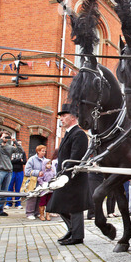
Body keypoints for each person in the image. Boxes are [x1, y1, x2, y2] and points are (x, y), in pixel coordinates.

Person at [47, 104, 91, 245]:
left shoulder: (79, 134)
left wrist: (65, 174)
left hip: (73, 177)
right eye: (60, 116)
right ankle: (72, 230)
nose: (61, 118)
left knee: (75, 207)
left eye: (64, 116)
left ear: (73, 117)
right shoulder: (68, 134)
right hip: (64, 176)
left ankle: (77, 236)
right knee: (57, 205)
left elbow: (75, 158)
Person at [0, 130, 24, 219]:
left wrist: (15, 141)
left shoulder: (10, 147)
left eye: (7, 136)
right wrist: (0, 140)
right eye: (5, 136)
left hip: (9, 171)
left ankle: (0, 210)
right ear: (0, 137)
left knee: (4, 192)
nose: (6, 138)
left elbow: (21, 151)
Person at [25, 145, 47, 220]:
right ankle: (29, 213)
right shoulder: (32, 159)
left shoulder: (45, 160)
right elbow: (27, 171)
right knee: (32, 196)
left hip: (42, 182)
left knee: (39, 197)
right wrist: (37, 173)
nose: (44, 152)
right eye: (42, 151)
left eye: (45, 151)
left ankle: (37, 212)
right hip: (33, 181)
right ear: (38, 151)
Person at [5, 141, 27, 209]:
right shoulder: (11, 152)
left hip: (20, 171)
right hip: (12, 171)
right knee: (10, 187)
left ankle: (18, 203)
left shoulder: (23, 152)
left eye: (20, 144)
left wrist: (16, 161)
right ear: (14, 144)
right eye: (18, 144)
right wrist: (18, 160)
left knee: (18, 188)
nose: (19, 145)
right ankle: (9, 203)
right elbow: (9, 161)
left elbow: (24, 162)